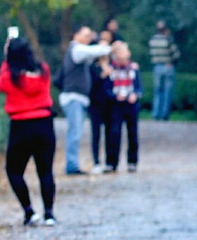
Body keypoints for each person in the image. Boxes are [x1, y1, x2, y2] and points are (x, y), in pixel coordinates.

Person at [0, 37, 57, 226]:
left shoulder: (10, 75)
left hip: (21, 125)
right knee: (45, 171)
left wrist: (6, 59)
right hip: (44, 123)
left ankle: (29, 211)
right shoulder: (43, 70)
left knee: (14, 170)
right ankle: (49, 214)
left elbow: (0, 85)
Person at [57, 25, 111, 175]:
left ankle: (73, 163)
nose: (89, 39)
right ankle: (72, 165)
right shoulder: (77, 49)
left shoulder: (79, 51)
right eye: (86, 35)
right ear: (76, 35)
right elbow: (96, 51)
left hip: (79, 97)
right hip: (73, 97)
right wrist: (105, 46)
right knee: (75, 132)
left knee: (76, 131)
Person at [103, 41, 142, 172]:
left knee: (133, 133)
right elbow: (106, 88)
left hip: (130, 104)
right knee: (114, 133)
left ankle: (132, 161)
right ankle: (111, 162)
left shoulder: (133, 69)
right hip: (116, 105)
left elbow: (139, 87)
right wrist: (115, 97)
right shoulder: (111, 69)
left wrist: (135, 95)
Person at [87, 28, 115, 174]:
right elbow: (91, 84)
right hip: (96, 104)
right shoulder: (92, 67)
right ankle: (96, 161)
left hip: (110, 104)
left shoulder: (114, 66)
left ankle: (110, 162)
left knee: (111, 133)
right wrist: (103, 75)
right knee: (96, 133)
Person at [148, 19, 180, 120]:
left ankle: (155, 113)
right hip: (167, 66)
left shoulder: (152, 40)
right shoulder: (168, 40)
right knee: (167, 91)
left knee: (157, 90)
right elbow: (176, 54)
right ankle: (164, 114)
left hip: (157, 66)